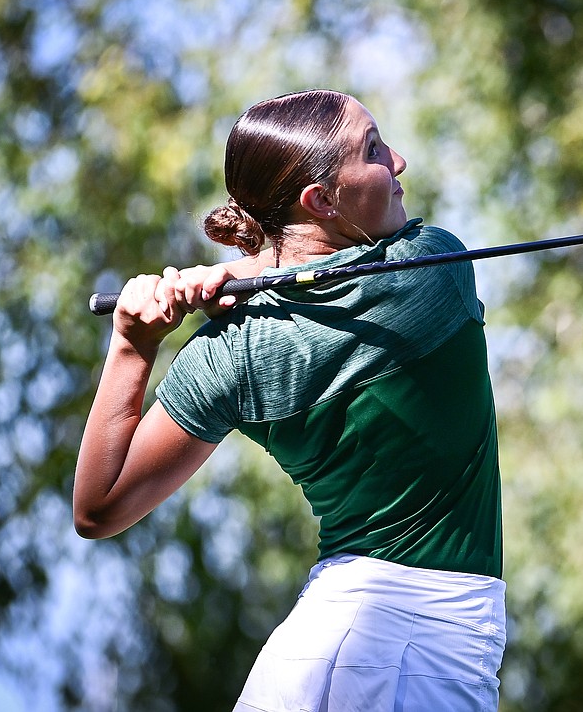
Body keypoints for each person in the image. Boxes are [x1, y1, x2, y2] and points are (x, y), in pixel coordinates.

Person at [74, 89, 506, 711]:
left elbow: (97, 508)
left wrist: (133, 348)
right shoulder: (432, 266)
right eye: (375, 149)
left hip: (329, 649)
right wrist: (244, 279)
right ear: (322, 200)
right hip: (406, 650)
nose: (400, 162)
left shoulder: (227, 352)